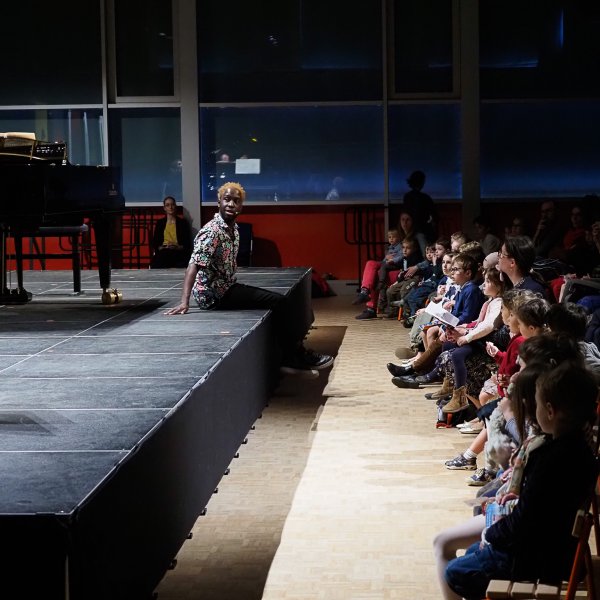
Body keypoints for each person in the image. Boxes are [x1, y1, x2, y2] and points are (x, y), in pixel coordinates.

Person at [444, 361, 598, 600]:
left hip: (538, 558)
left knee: (456, 572)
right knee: (473, 552)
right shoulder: (580, 448)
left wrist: (491, 535)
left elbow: (525, 521)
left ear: (549, 410)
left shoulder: (550, 458)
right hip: (556, 549)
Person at [164, 182, 333, 375]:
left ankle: (288, 355)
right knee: (280, 302)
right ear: (219, 201)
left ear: (241, 206)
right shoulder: (211, 232)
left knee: (279, 302)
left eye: (236, 201)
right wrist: (184, 302)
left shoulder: (233, 229)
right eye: (227, 199)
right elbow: (193, 265)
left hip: (227, 287)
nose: (231, 204)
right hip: (214, 294)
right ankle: (295, 356)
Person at [352, 228, 407, 318]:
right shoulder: (390, 247)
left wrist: (392, 259)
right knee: (370, 263)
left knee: (375, 274)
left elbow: (401, 257)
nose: (391, 239)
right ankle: (364, 291)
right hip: (387, 265)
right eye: (389, 237)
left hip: (397, 267)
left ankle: (371, 308)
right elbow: (385, 260)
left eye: (393, 237)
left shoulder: (401, 246)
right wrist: (386, 258)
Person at [150, 196, 193, 269]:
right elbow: (155, 242)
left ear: (175, 206)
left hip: (178, 252)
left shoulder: (182, 223)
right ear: (164, 208)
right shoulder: (160, 223)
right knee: (162, 257)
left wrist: (176, 247)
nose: (170, 207)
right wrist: (162, 247)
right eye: (167, 205)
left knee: (180, 259)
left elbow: (187, 244)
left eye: (172, 204)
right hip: (164, 252)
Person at [402, 170, 437, 242]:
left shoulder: (407, 197)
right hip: (422, 229)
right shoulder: (425, 198)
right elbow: (434, 214)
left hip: (410, 229)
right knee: (425, 250)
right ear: (422, 182)